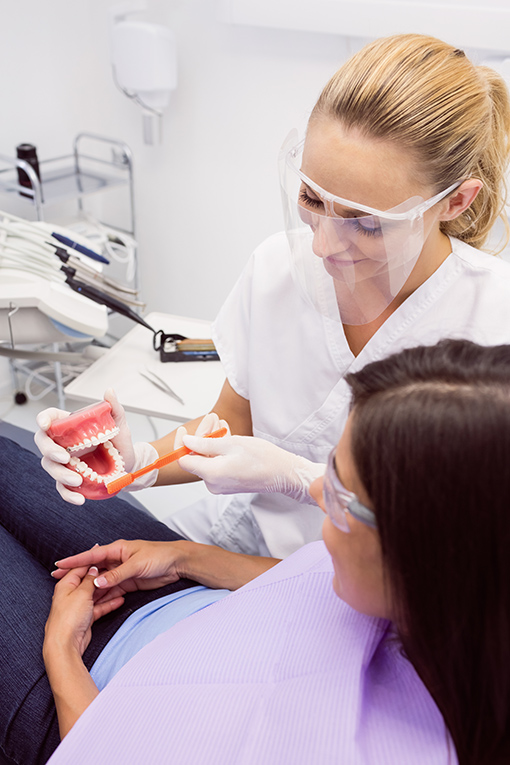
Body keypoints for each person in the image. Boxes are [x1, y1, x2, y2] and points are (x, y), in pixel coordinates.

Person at [34, 33, 510, 566]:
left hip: (340, 584)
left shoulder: (493, 326)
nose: (323, 245)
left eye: (367, 223)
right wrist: (135, 462)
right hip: (233, 533)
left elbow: (439, 554)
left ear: (456, 201)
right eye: (311, 198)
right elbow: (230, 423)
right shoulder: (276, 270)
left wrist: (293, 486)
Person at [6, 338, 509, 765]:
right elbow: (309, 582)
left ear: (428, 558)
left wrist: (62, 653)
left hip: (86, 691)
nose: (313, 494)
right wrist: (185, 558)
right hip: (175, 590)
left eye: (336, 495)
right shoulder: (436, 607)